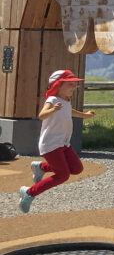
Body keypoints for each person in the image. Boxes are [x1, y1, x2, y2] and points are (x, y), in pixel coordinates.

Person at [18, 69, 95, 213]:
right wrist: (52, 109)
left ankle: (41, 167)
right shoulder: (52, 100)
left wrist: (85, 115)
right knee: (62, 175)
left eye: (74, 84)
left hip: (64, 143)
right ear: (58, 85)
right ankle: (29, 193)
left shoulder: (66, 100)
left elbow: (69, 111)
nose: (74, 87)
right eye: (70, 84)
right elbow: (41, 115)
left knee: (77, 169)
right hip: (51, 144)